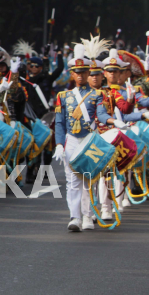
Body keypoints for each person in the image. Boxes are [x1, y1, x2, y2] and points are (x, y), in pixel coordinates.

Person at [52, 43, 124, 232]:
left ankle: (87, 216)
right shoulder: (63, 96)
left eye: (84, 72)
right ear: (72, 74)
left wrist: (113, 121)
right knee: (72, 181)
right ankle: (75, 217)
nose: (82, 76)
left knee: (88, 180)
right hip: (71, 141)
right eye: (78, 72)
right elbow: (59, 123)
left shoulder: (97, 94)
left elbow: (100, 115)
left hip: (88, 140)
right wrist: (59, 144)